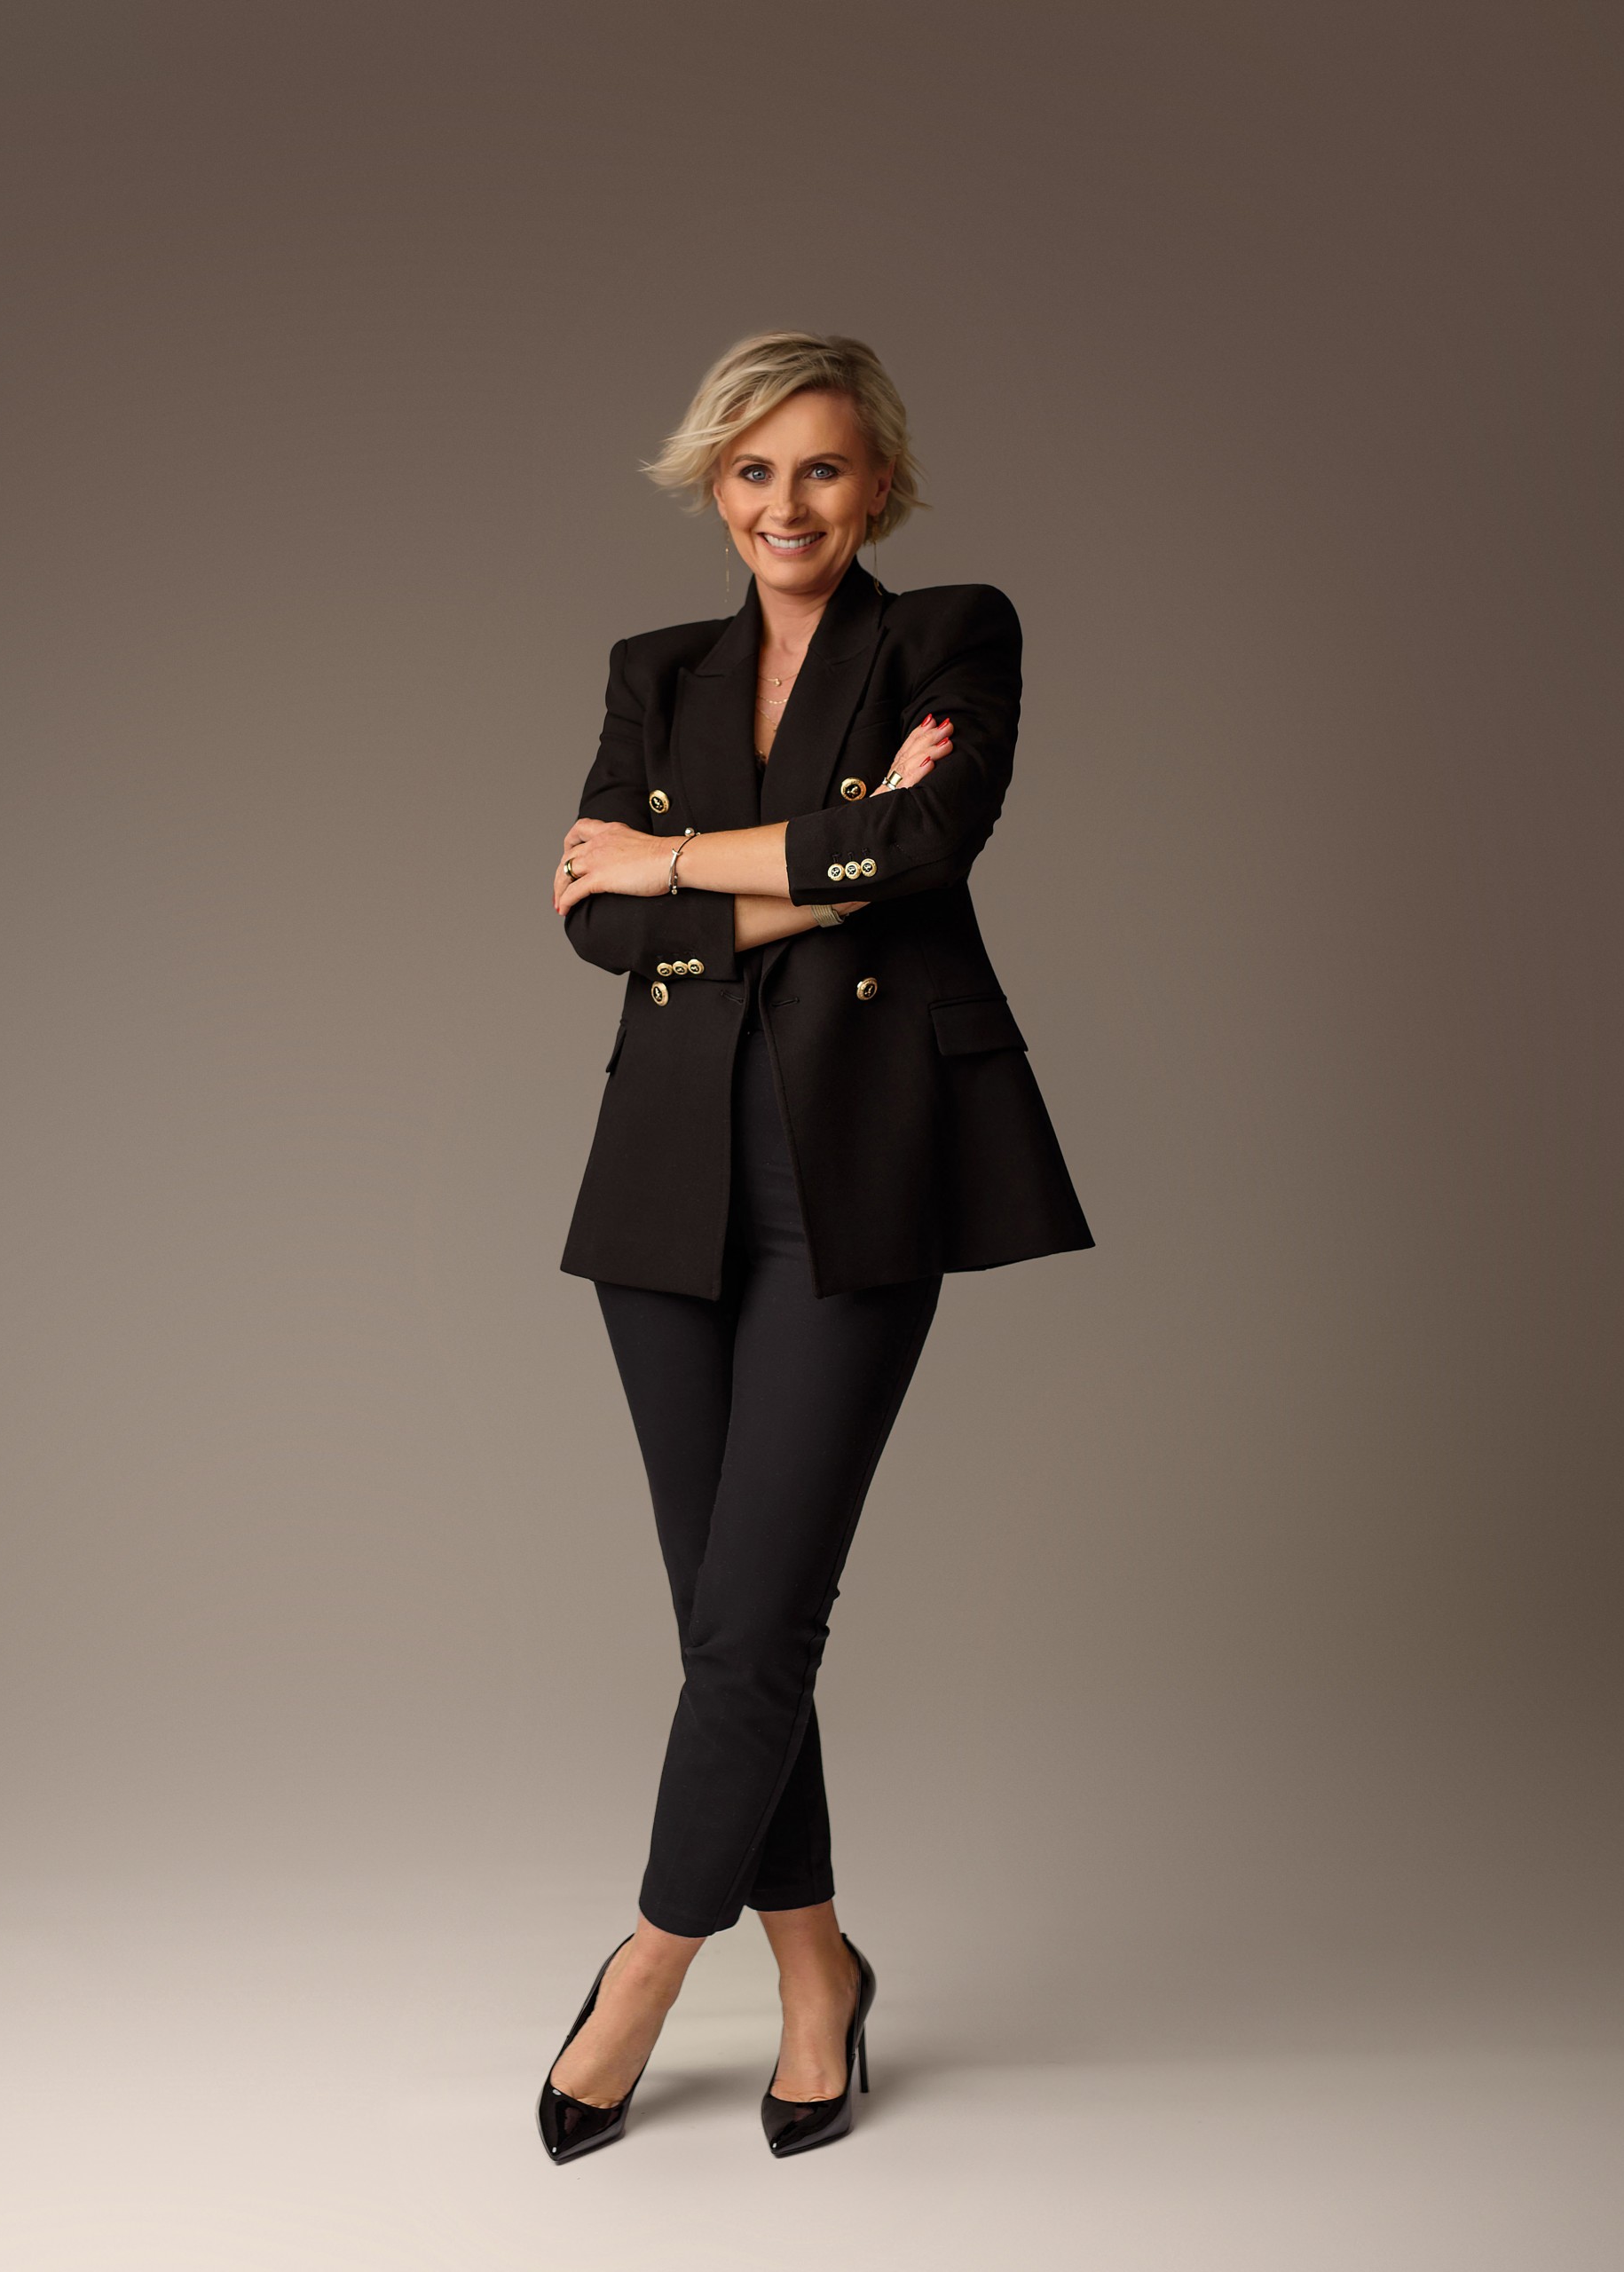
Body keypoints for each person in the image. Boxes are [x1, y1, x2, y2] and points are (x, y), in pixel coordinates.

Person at [539, 331, 1093, 2162]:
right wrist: (821, 852)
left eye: (825, 468)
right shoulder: (656, 669)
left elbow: (926, 848)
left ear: (882, 487)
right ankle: (815, 1970)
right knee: (729, 1620)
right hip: (664, 1181)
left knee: (763, 1607)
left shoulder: (950, 633)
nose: (788, 503)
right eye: (755, 469)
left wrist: (677, 860)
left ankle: (643, 1967)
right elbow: (594, 929)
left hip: (860, 1172)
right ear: (716, 486)